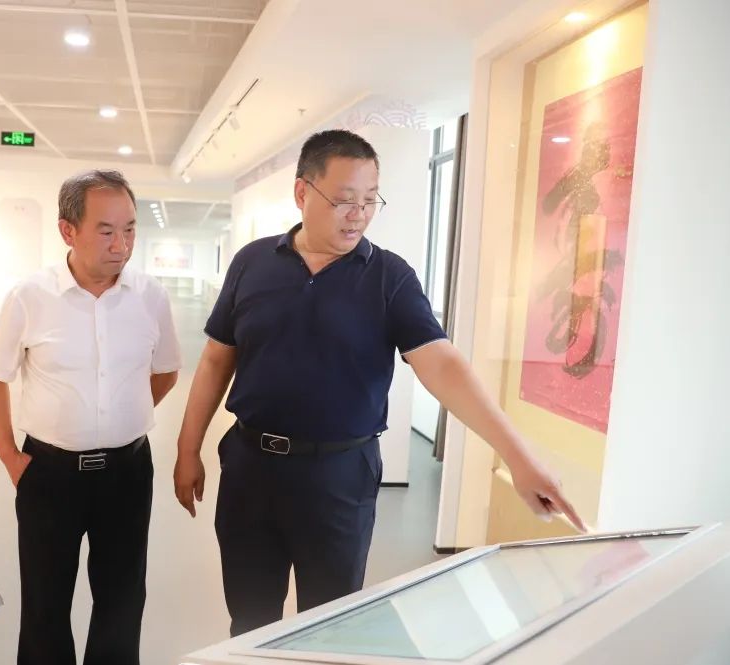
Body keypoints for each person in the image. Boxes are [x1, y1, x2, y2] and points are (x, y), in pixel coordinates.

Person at [173, 129, 585, 637]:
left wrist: (518, 457)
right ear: (302, 192)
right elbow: (217, 359)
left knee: (331, 625)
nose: (359, 214)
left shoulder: (390, 277)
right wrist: (187, 448)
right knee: (250, 619)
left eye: (371, 200)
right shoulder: (252, 263)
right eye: (345, 200)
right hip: (250, 468)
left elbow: (442, 365)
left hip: (339, 476)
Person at [0, 170, 181, 665]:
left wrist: (119, 416)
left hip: (128, 472)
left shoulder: (150, 296)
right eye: (106, 230)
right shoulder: (30, 296)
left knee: (122, 600)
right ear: (68, 231)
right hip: (49, 474)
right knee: (45, 604)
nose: (121, 244)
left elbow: (166, 372)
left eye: (129, 229)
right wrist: (9, 456)